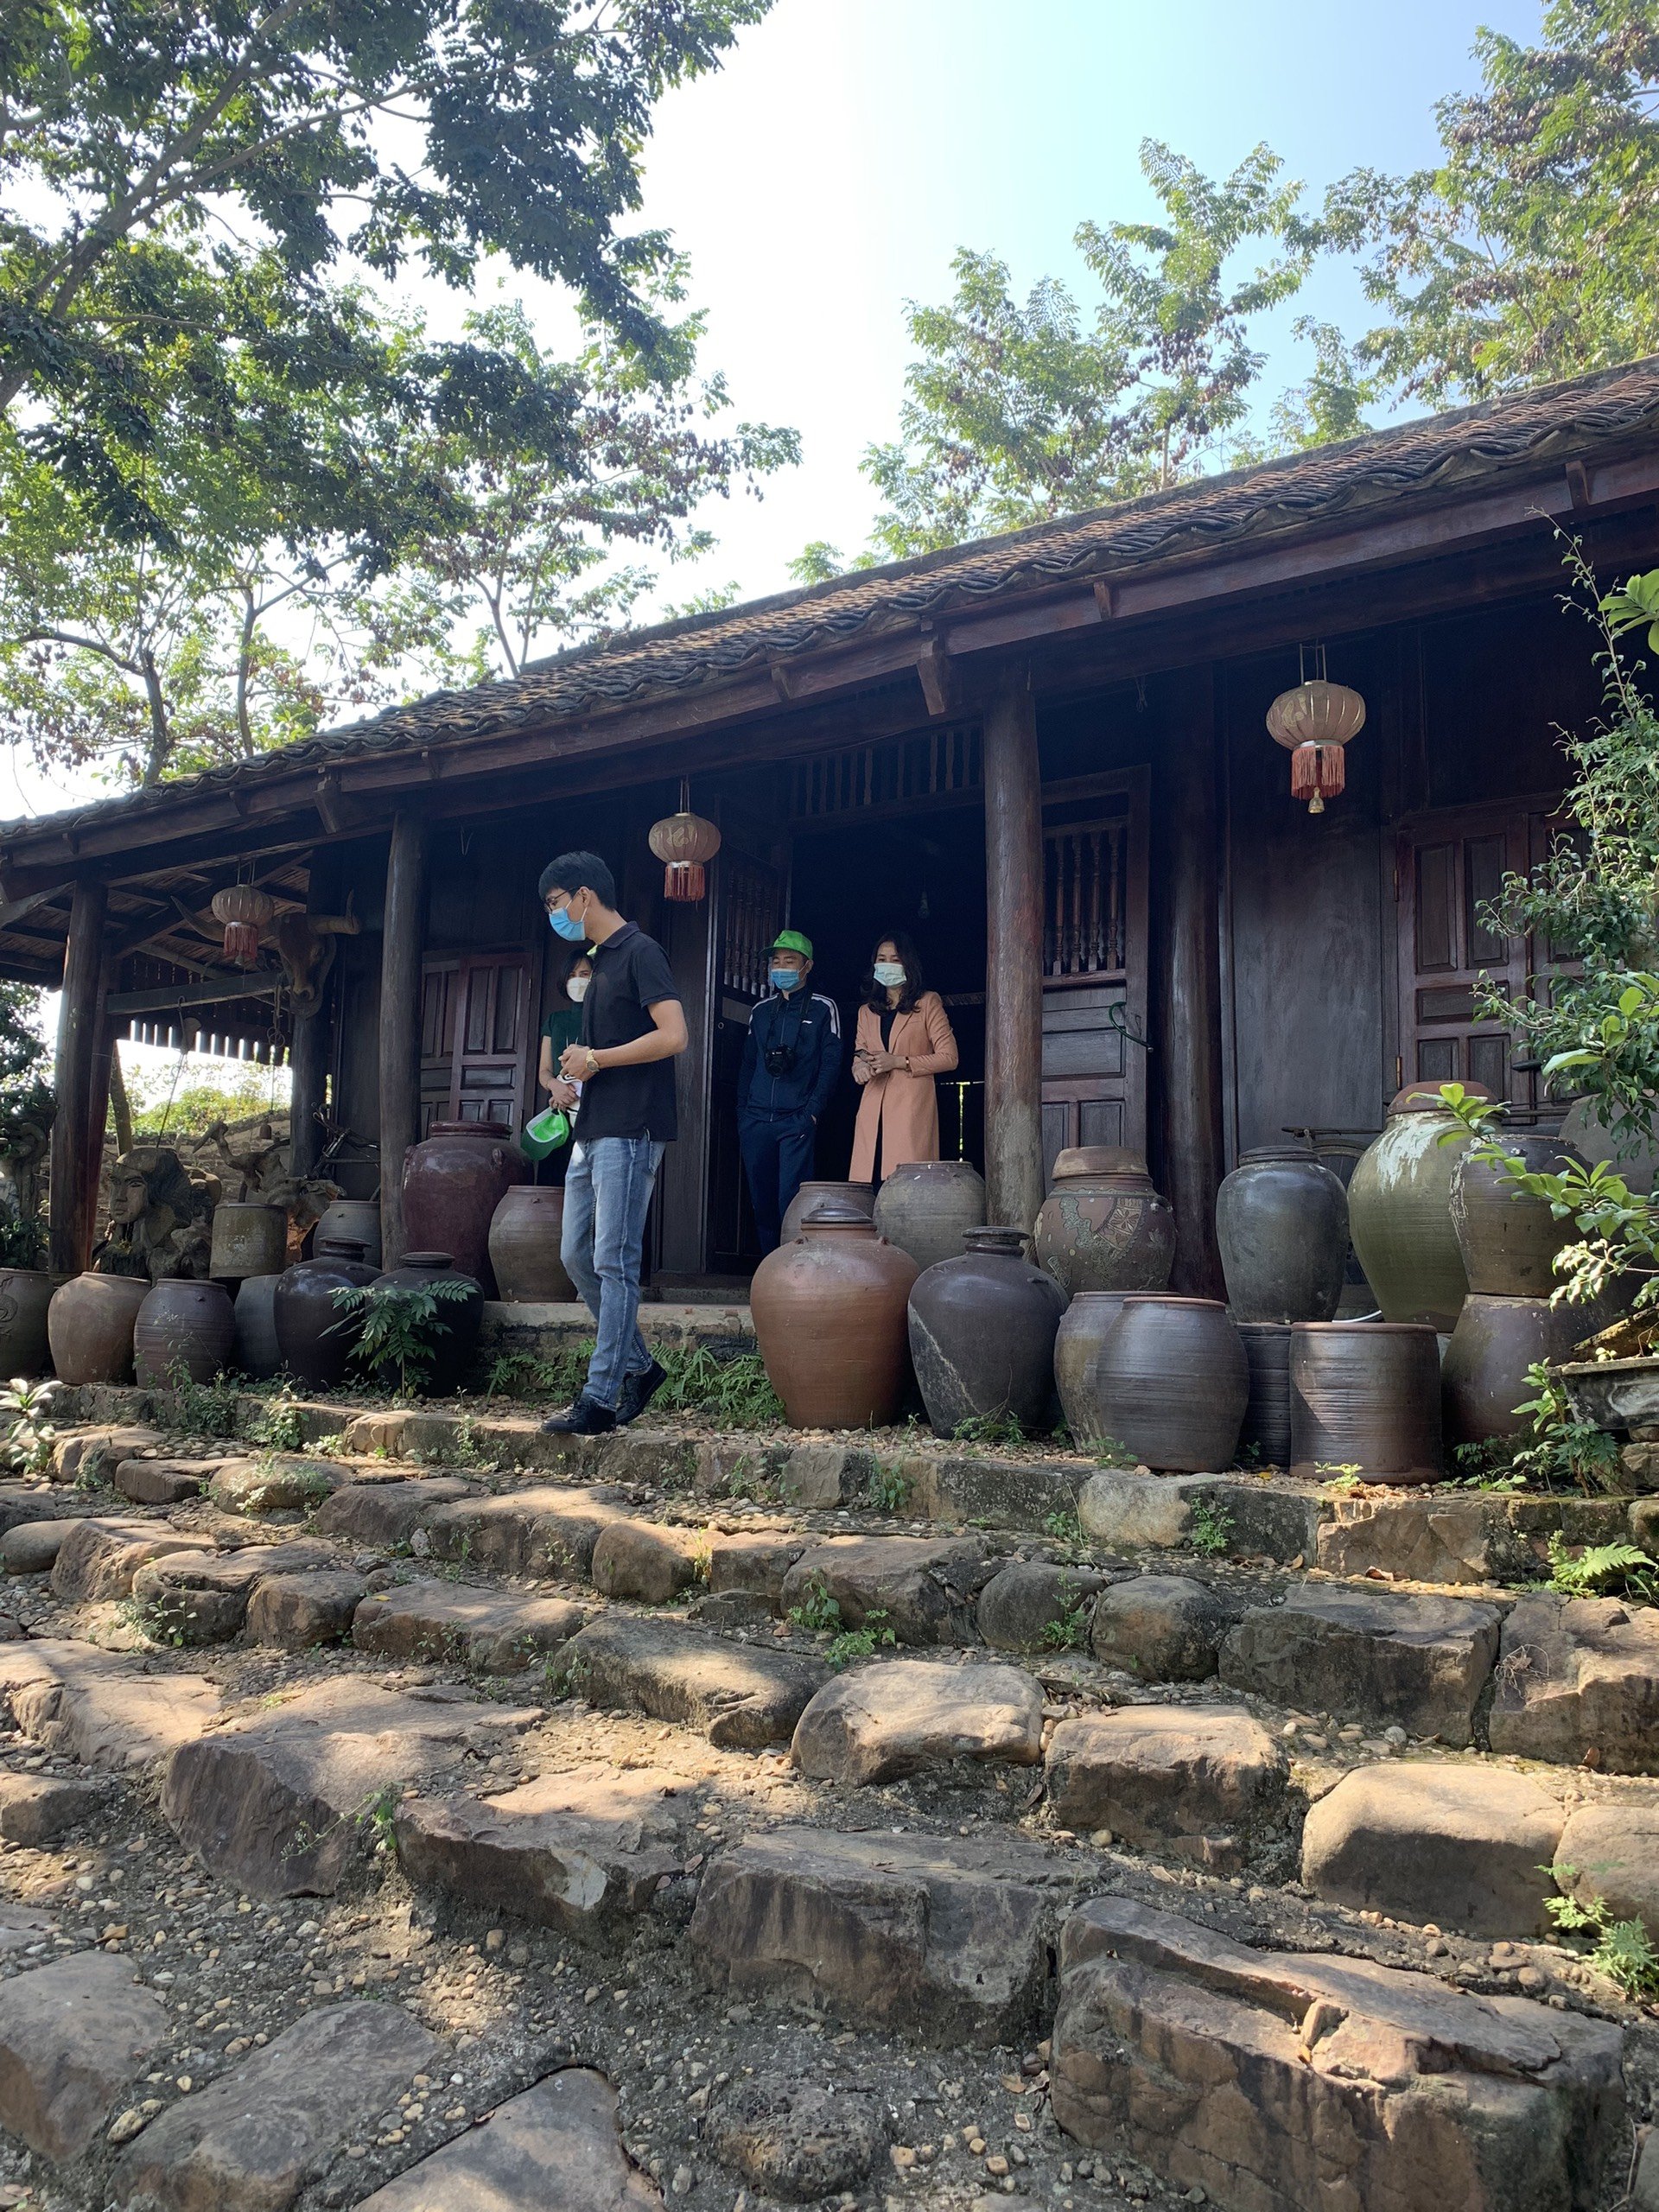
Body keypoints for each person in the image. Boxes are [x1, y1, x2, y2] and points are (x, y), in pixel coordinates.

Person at [537, 850, 687, 1434]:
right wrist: (578, 1069)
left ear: (584, 896)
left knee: (613, 1261)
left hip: (632, 1129)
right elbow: (603, 1054)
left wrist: (596, 1057)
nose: (554, 915)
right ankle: (641, 1368)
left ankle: (599, 1399)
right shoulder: (599, 963)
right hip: (591, 1126)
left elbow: (674, 1036)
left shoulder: (642, 951)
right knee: (575, 1256)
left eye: (555, 903)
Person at [737, 928, 843, 1253]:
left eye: (789, 961)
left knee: (791, 1200)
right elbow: (748, 1065)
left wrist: (811, 1112)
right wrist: (743, 1112)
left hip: (795, 1120)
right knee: (762, 1202)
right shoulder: (761, 1011)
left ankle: (792, 1267)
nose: (780, 967)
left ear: (807, 966)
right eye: (776, 962)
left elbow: (830, 1065)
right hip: (756, 1119)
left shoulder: (823, 1008)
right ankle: (769, 1267)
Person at [849, 931, 958, 1182]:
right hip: (872, 1109)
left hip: (911, 1109)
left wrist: (899, 1061)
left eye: (895, 959)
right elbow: (859, 1052)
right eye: (881, 959)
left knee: (907, 1186)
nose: (887, 964)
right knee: (869, 1183)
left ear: (908, 964)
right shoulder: (866, 1011)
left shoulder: (928, 1002)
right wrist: (859, 1068)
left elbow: (949, 1057)